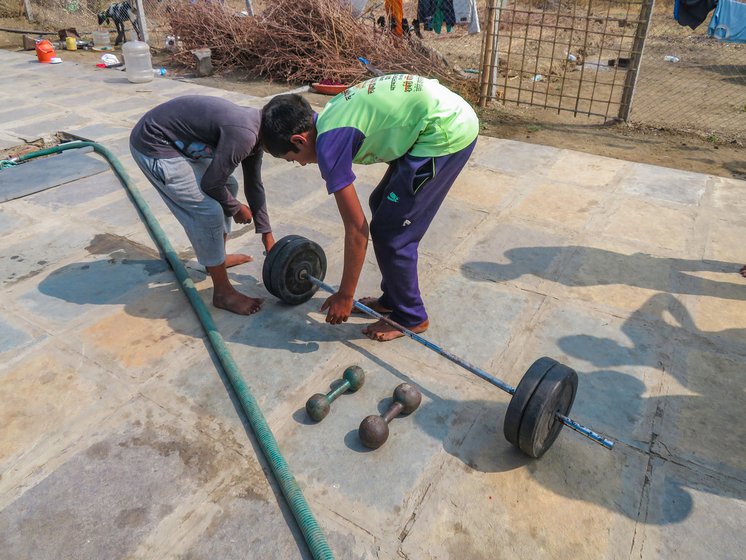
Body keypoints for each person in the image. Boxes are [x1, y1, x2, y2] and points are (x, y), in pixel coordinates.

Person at [260, 74, 479, 341]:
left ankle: (410, 317)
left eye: (293, 159)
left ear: (299, 141)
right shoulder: (328, 117)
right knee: (381, 204)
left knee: (393, 234)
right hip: (433, 117)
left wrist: (346, 295)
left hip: (445, 131)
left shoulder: (329, 146)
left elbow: (356, 230)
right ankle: (393, 299)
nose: (301, 164)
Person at [130, 95, 274, 315]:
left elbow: (254, 183)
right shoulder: (244, 135)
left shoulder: (260, 131)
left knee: (230, 185)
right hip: (154, 142)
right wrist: (235, 208)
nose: (295, 160)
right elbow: (211, 184)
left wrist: (267, 235)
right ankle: (223, 293)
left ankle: (217, 258)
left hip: (177, 140)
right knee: (209, 212)